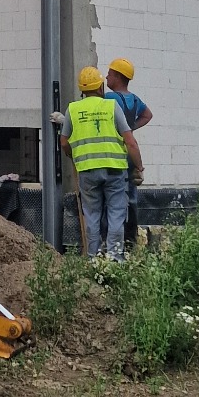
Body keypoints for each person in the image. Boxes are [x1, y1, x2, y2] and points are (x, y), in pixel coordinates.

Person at [58, 66, 142, 261]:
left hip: (87, 171)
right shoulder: (111, 107)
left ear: (82, 88)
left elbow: (64, 141)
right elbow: (130, 141)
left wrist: (73, 155)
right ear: (100, 87)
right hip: (115, 170)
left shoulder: (73, 109)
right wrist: (138, 167)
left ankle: (93, 258)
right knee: (115, 214)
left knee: (92, 215)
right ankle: (114, 258)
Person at [105, 58, 151, 246]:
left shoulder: (109, 98)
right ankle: (130, 239)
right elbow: (148, 115)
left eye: (109, 74)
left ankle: (112, 241)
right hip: (130, 153)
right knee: (131, 198)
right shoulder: (134, 99)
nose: (106, 77)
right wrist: (130, 128)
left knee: (113, 197)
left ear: (117, 76)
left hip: (116, 153)